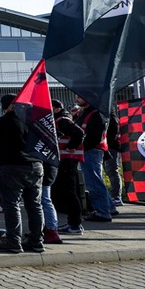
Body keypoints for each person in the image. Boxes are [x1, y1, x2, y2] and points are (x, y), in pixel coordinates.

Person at [0, 94, 45, 253]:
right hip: (35, 165)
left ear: (6, 107)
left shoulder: (2, 122)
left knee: (11, 205)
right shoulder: (33, 121)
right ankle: (36, 240)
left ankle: (13, 240)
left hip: (12, 166)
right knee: (35, 205)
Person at [50, 100, 87, 235]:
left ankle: (75, 224)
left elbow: (79, 133)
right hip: (66, 160)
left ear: (56, 108)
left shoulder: (63, 120)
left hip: (68, 160)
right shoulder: (61, 119)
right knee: (67, 192)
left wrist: (70, 147)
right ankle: (73, 222)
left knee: (69, 192)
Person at [75, 96, 112, 222]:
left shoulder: (95, 114)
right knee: (96, 180)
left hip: (91, 150)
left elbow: (94, 135)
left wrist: (82, 146)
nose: (77, 99)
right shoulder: (87, 113)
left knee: (93, 181)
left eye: (80, 97)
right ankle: (109, 207)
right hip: (90, 150)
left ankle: (102, 211)